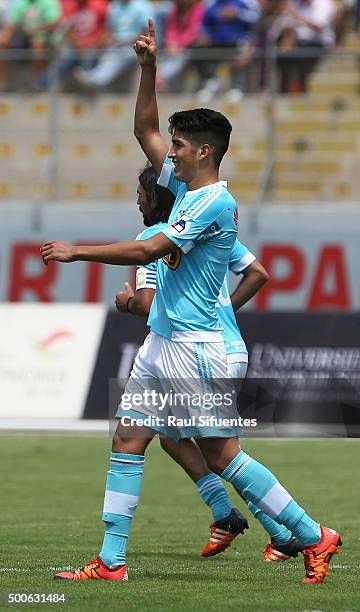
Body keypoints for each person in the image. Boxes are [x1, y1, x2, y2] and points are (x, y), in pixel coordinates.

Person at [41, 19, 341, 584]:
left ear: (204, 151)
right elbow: (145, 128)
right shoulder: (184, 186)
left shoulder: (211, 205)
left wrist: (78, 251)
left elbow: (151, 246)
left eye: (178, 147)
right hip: (167, 341)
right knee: (129, 437)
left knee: (222, 453)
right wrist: (148, 67)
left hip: (195, 348)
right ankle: (111, 562)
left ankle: (309, 533)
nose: (168, 153)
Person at [116, 165, 303, 563]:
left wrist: (126, 303)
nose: (137, 198)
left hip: (194, 348)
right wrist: (225, 312)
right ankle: (239, 519)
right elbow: (258, 272)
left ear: (158, 194)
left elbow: (148, 304)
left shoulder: (155, 238)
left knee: (218, 450)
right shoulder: (212, 227)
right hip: (223, 343)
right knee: (173, 435)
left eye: (141, 191)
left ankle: (295, 530)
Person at [74, 0, 151, 89]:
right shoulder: (114, 6)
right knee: (91, 52)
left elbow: (144, 33)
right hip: (115, 44)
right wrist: (98, 44)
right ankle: (91, 78)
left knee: (117, 56)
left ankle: (96, 80)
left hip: (134, 47)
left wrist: (124, 42)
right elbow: (109, 30)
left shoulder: (143, 6)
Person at [0, 0, 61, 89]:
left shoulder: (49, 2)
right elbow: (13, 23)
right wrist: (5, 35)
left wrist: (35, 29)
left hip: (45, 36)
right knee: (2, 42)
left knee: (37, 45)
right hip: (23, 36)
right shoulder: (21, 2)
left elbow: (54, 24)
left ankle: (37, 83)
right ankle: (4, 83)